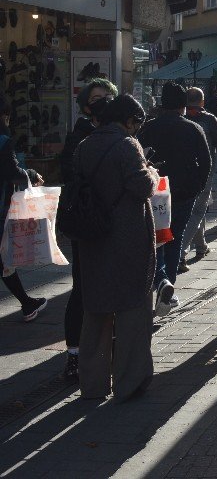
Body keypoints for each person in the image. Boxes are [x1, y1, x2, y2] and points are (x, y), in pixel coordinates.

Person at [75, 95, 159, 402]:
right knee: (132, 309)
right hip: (126, 238)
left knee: (96, 312)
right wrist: (151, 172)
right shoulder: (127, 145)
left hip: (93, 238)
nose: (137, 129)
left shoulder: (86, 145)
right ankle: (130, 381)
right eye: (137, 123)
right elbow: (141, 186)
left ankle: (93, 385)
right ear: (128, 120)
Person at [58, 77, 118, 381]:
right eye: (96, 98)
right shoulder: (79, 135)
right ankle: (74, 355)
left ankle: (109, 349)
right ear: (85, 104)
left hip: (115, 224)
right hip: (87, 222)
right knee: (81, 289)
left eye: (107, 97)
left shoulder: (120, 134)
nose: (102, 103)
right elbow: (67, 172)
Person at [137, 82, 212, 315]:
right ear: (183, 106)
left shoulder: (148, 128)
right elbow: (206, 163)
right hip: (183, 193)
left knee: (157, 238)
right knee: (175, 237)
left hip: (155, 193)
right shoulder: (193, 128)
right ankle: (167, 283)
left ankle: (161, 283)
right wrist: (196, 187)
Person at [0, 96, 46, 323]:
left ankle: (27, 303)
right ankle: (27, 304)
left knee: (3, 262)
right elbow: (13, 172)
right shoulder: (3, 141)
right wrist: (31, 174)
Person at [181, 87, 217, 272]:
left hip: (179, 171)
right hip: (203, 171)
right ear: (202, 102)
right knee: (196, 211)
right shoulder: (208, 119)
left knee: (198, 208)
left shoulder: (180, 116)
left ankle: (201, 245)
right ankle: (181, 253)